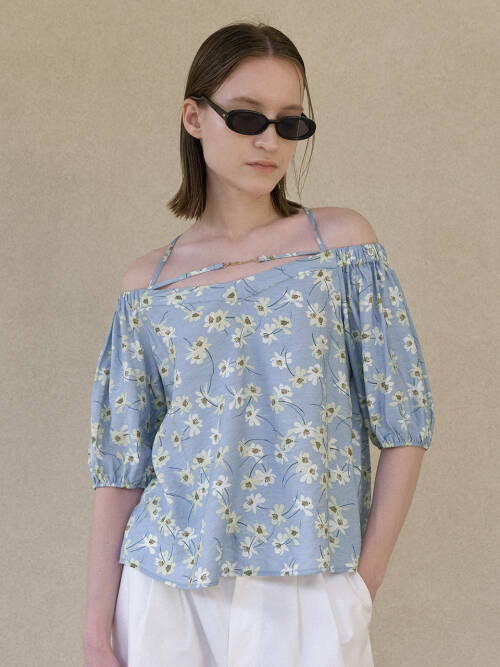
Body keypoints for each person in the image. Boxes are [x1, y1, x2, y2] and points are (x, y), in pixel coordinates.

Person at [83, 21, 435, 667]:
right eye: (247, 117)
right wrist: (96, 628)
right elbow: (121, 464)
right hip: (164, 585)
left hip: (309, 578)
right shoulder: (148, 283)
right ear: (194, 117)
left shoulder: (342, 247)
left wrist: (362, 583)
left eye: (290, 123)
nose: (270, 141)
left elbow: (405, 420)